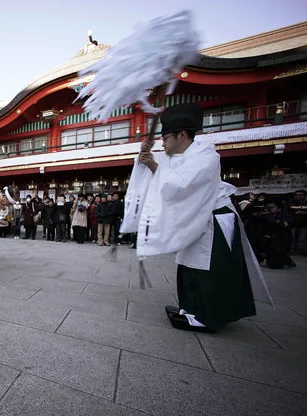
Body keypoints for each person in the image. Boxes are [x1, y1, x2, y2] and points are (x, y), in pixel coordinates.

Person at [124, 103, 272, 333]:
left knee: (207, 269)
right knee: (188, 265)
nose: (163, 143)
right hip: (195, 221)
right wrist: (144, 159)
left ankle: (208, 315)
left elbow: (181, 186)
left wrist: (152, 163)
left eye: (166, 137)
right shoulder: (178, 157)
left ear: (182, 134)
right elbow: (162, 173)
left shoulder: (206, 156)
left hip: (213, 222)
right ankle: (191, 308)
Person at [263, 202, 296, 269]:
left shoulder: (286, 215)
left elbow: (284, 224)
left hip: (282, 239)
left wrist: (271, 216)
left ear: (279, 209)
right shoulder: (265, 216)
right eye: (269, 208)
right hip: (269, 239)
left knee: (275, 263)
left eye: (272, 207)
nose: (270, 209)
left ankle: (287, 260)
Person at [288, 190, 307, 256]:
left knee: (301, 238)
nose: (298, 196)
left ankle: (299, 251)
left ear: (304, 195)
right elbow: (289, 211)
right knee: (292, 237)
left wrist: (303, 212)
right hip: (293, 223)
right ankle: (291, 250)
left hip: (304, 223)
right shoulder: (292, 202)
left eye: (300, 195)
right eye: (296, 195)